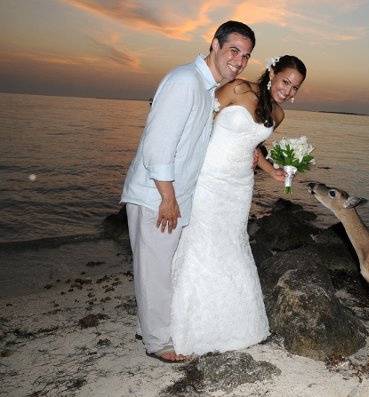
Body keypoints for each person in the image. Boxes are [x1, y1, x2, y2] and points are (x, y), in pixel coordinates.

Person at [121, 21, 256, 362]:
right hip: (157, 195)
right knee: (155, 271)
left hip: (175, 195)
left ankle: (149, 328)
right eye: (234, 51)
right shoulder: (184, 81)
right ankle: (158, 343)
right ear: (215, 45)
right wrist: (168, 197)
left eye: (246, 56)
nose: (239, 62)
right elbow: (157, 146)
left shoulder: (206, 88)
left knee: (163, 268)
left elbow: (198, 140)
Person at [170, 55, 307, 356]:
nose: (288, 91)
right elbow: (199, 117)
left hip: (239, 186)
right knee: (201, 244)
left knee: (231, 246)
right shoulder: (237, 89)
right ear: (272, 72)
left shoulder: (279, 114)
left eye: (295, 88)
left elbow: (253, 146)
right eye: (285, 82)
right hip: (208, 178)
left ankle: (235, 327)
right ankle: (189, 329)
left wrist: (273, 171)